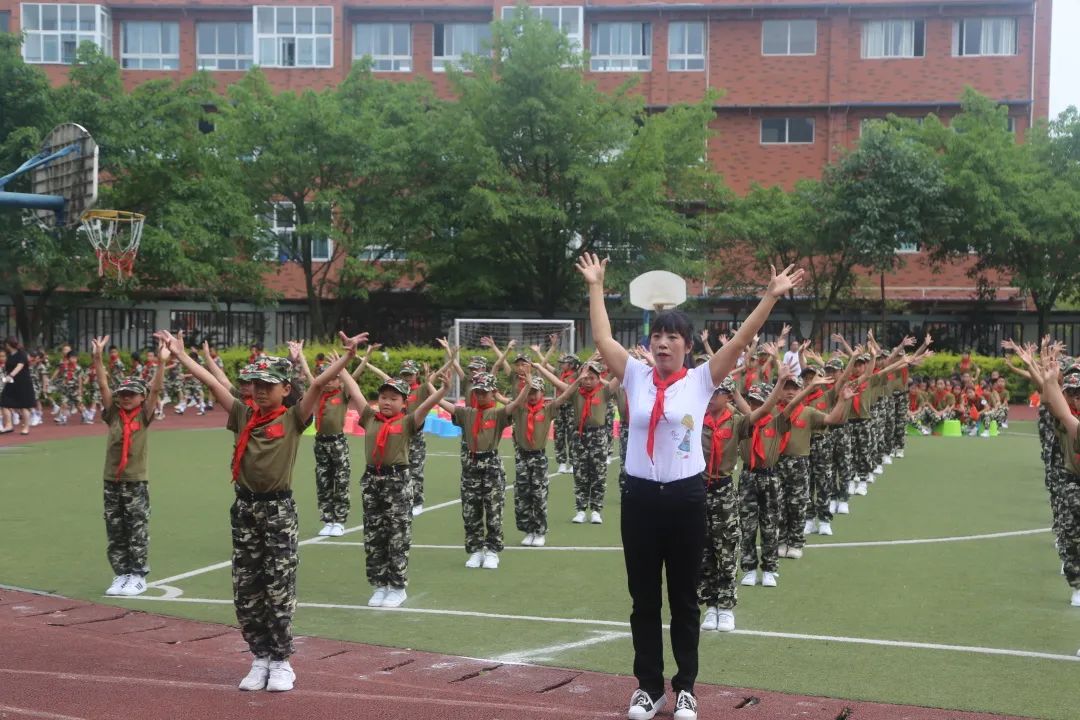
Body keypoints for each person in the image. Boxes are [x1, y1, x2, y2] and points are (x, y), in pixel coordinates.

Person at [577, 251, 803, 720]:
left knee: (684, 597)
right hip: (639, 498)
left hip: (685, 498)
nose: (663, 344)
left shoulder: (701, 381)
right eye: (657, 336)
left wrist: (769, 296)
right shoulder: (635, 375)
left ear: (685, 346)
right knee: (643, 598)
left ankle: (686, 689)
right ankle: (648, 687)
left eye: (672, 337)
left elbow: (741, 340)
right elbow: (601, 337)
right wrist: (596, 285)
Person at [159, 328, 364, 694]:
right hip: (245, 510)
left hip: (278, 511)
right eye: (256, 384)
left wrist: (347, 359)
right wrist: (181, 355)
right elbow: (210, 381)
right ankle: (260, 656)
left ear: (286, 389)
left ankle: (282, 661)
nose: (261, 390)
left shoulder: (293, 418)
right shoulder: (242, 414)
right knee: (246, 588)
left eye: (269, 384)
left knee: (278, 587)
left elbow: (316, 386)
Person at [339, 359, 449, 608]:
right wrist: (343, 366)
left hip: (397, 482)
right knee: (374, 535)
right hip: (372, 481)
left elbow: (425, 407)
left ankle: (397, 587)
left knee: (397, 535)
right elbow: (355, 391)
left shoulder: (408, 421)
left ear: (404, 403)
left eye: (394, 398)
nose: (387, 402)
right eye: (384, 397)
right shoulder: (370, 417)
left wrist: (442, 390)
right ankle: (380, 585)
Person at [90, 334, 168, 597]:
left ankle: (137, 576)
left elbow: (156, 389)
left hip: (135, 481)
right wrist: (97, 358)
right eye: (122, 393)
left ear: (142, 398)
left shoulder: (144, 416)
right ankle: (121, 574)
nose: (125, 397)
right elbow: (102, 385)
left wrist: (161, 362)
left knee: (136, 528)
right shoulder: (113, 413)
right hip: (111, 480)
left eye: (131, 394)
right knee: (115, 529)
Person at [437, 372, 526, 570]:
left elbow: (515, 405)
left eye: (484, 392)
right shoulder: (467, 413)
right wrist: (433, 389)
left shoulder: (498, 414)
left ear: (493, 393)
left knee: (493, 510)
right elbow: (446, 405)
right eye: (477, 392)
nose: (479, 396)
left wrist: (526, 388)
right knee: (471, 511)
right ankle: (475, 550)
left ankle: (493, 551)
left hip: (491, 465)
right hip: (471, 465)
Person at [510, 374, 579, 547]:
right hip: (522, 457)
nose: (532, 396)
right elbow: (503, 399)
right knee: (522, 495)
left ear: (542, 392)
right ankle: (528, 530)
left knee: (539, 496)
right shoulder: (519, 408)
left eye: (535, 392)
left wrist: (578, 381)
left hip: (538, 458)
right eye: (529, 392)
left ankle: (540, 531)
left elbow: (565, 396)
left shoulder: (547, 409)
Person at [1, 337, 36, 435]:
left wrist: (10, 375)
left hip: (23, 383)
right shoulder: (9, 355)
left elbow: (19, 366)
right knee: (4, 402)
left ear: (8, 344)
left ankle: (26, 427)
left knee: (24, 406)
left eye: (5, 344)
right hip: (11, 382)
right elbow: (7, 367)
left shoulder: (22, 354)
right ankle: (8, 425)